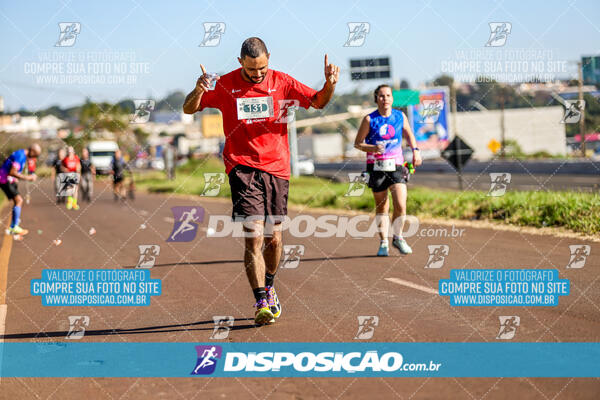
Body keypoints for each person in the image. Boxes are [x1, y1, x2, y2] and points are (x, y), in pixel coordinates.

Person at [183, 37, 339, 325]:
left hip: (277, 168)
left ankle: (269, 285)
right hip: (241, 167)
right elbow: (189, 109)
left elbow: (317, 102)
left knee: (274, 237)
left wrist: (329, 84)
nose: (258, 74)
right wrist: (198, 90)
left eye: (263, 68)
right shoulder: (225, 84)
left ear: (269, 58)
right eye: (252, 69)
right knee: (254, 234)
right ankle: (260, 301)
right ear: (240, 61)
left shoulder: (282, 81)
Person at [354, 85, 422, 257]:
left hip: (397, 166)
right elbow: (357, 143)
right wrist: (372, 147)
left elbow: (409, 135)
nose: (385, 99)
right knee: (382, 206)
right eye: (381, 96)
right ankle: (384, 241)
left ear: (392, 98)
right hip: (376, 167)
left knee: (400, 204)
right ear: (376, 99)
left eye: (388, 95)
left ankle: (398, 237)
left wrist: (415, 151)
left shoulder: (400, 116)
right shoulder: (369, 119)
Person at [0, 144, 41, 235]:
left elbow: (7, 163)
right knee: (19, 200)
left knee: (17, 201)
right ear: (32, 151)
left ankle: (13, 226)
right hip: (4, 179)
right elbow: (12, 172)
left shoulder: (20, 154)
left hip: (7, 179)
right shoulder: (21, 156)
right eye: (35, 155)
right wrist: (28, 178)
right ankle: (14, 227)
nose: (34, 158)